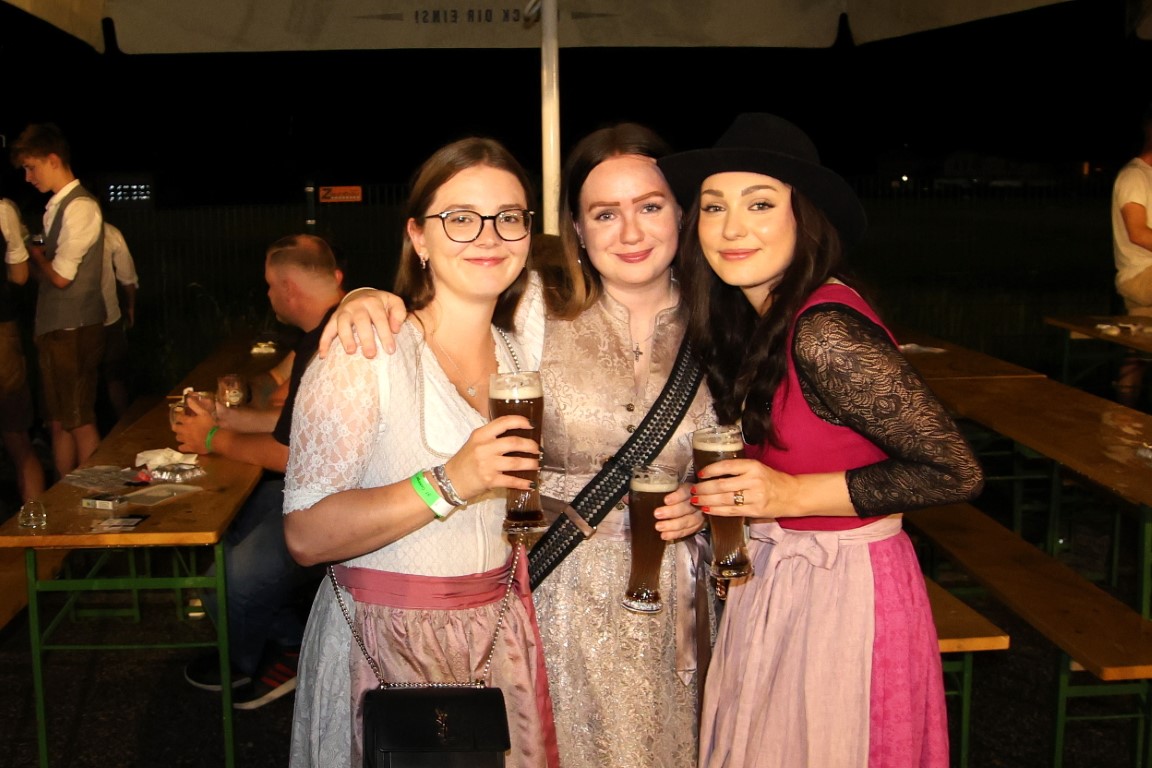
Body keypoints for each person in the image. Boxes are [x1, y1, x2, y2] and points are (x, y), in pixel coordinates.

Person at [320, 123, 718, 768]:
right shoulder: (537, 306)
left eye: (650, 207)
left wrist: (706, 502)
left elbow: (749, 454)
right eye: (604, 213)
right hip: (550, 594)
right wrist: (367, 297)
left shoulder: (724, 324)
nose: (630, 232)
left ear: (682, 213)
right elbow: (449, 292)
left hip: (674, 600)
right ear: (577, 228)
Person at [657, 112, 985, 768]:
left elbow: (954, 470)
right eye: (714, 207)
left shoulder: (823, 330)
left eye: (759, 203)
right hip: (784, 582)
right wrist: (717, 501)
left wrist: (788, 493)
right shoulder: (762, 321)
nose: (732, 228)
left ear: (803, 218)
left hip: (844, 595)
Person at [282, 137, 560, 768]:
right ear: (418, 237)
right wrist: (449, 481)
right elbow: (304, 535)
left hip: (496, 639)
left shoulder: (521, 351)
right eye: (460, 218)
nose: (488, 236)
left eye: (508, 217)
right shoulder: (367, 353)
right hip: (385, 645)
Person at [173, 233, 344, 711]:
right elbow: (292, 423)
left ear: (288, 287)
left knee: (231, 578)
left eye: (270, 285)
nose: (268, 295)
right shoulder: (323, 331)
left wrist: (213, 439)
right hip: (313, 491)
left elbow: (295, 456)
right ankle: (288, 641)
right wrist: (225, 418)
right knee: (232, 525)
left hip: (339, 504)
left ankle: (257, 659)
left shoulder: (336, 343)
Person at [10, 122, 105, 481]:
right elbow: (50, 279)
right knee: (59, 420)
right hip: (57, 327)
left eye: (31, 167)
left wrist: (33, 252)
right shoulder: (57, 206)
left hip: (75, 327)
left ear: (53, 160)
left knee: (78, 419)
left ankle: (93, 494)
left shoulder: (80, 207)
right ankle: (65, 497)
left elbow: (62, 277)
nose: (28, 177)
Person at [0, 193, 46, 507]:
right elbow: (19, 275)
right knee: (17, 437)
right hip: (2, 329)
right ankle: (35, 528)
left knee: (15, 433)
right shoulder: (3, 210)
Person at [1111, 101, 1152, 408]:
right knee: (1137, 348)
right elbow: (1137, 232)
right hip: (1141, 274)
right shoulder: (1134, 176)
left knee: (1138, 349)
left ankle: (1123, 417)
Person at [99, 221, 139, 425]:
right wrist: (130, 307)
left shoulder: (59, 228)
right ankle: (123, 426)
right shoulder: (110, 232)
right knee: (115, 376)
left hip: (77, 321)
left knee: (109, 376)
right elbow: (128, 279)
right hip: (108, 317)